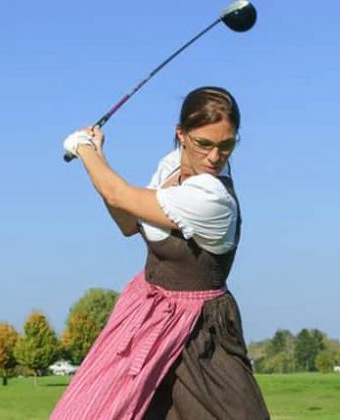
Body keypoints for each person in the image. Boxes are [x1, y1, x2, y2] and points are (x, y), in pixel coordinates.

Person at [51, 87, 270, 419]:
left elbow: (119, 194)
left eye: (227, 146)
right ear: (180, 134)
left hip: (201, 334)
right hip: (147, 315)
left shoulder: (213, 199)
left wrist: (84, 148)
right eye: (204, 144)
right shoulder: (170, 167)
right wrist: (97, 153)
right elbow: (127, 219)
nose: (215, 157)